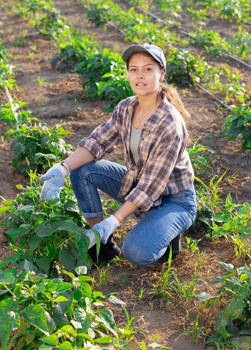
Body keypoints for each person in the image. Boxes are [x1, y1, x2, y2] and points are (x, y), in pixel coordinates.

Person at [40, 43, 197, 266]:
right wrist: (62, 168)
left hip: (174, 199)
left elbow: (150, 187)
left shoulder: (170, 123)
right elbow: (96, 143)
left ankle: (167, 236)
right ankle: (101, 244)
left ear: (162, 73)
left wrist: (113, 220)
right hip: (139, 184)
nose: (140, 76)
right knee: (82, 169)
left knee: (136, 252)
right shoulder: (126, 108)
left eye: (148, 69)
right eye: (134, 69)